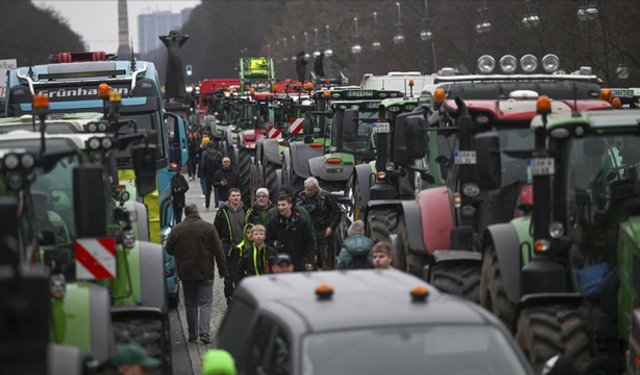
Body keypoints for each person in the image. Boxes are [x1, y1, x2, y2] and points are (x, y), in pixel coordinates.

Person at [166, 204, 227, 344]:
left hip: (186, 272)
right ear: (198, 212)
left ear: (185, 214)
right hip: (205, 270)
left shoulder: (178, 229)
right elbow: (218, 251)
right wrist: (223, 270)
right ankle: (204, 332)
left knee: (190, 304)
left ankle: (193, 334)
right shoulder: (208, 227)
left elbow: (169, 250)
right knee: (205, 303)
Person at [296, 177, 341, 270]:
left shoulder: (325, 196)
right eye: (307, 189)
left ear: (316, 188)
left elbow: (337, 213)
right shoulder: (302, 196)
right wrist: (310, 208)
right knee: (309, 262)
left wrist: (331, 227)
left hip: (323, 230)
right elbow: (297, 210)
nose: (308, 192)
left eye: (311, 190)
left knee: (327, 261)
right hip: (308, 232)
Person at [213, 188, 247, 304]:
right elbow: (215, 229)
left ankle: (242, 300)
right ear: (229, 198)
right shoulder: (222, 212)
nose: (236, 197)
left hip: (243, 250)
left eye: (238, 195)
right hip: (229, 250)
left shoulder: (247, 211)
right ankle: (230, 299)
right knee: (230, 276)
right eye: (233, 195)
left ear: (241, 197)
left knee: (243, 275)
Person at [266, 194, 315, 272]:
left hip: (298, 263)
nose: (280, 208)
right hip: (279, 265)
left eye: (283, 205)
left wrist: (309, 260)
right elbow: (267, 241)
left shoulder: (301, 223)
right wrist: (274, 244)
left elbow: (309, 242)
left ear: (290, 205)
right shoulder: (272, 224)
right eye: (279, 205)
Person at [224, 223, 254, 302]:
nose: (250, 235)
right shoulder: (239, 248)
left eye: (252, 232)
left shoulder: (260, 247)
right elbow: (235, 268)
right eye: (248, 232)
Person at [202, 141, 224, 210]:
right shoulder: (218, 153)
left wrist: (203, 173)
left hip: (208, 173)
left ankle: (207, 204)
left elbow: (203, 164)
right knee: (217, 188)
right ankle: (217, 204)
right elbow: (222, 163)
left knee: (208, 189)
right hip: (217, 173)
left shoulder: (205, 153)